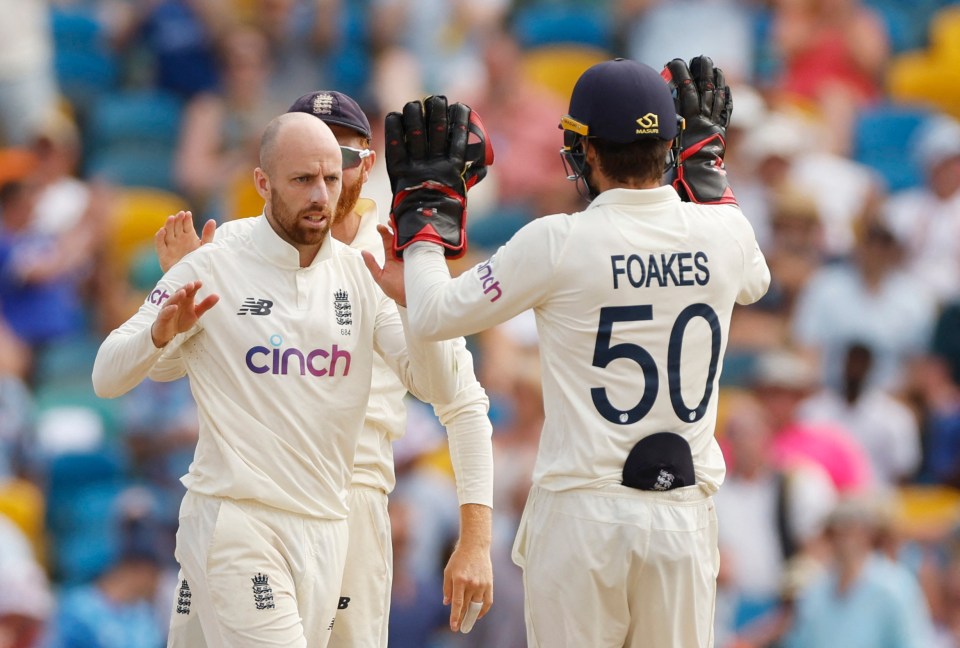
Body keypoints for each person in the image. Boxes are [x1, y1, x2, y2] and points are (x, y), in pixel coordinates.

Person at [366, 57, 771, 646]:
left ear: (587, 152)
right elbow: (755, 280)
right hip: (682, 517)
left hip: (584, 517)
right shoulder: (724, 234)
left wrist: (427, 216)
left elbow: (432, 315)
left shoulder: (558, 240)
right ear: (670, 145)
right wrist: (707, 168)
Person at [92, 111, 463, 648]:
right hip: (239, 522)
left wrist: (415, 302)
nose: (320, 195)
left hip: (326, 529)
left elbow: (436, 385)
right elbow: (106, 374)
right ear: (262, 183)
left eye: (331, 179)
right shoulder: (214, 263)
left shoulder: (361, 274)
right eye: (302, 180)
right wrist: (158, 337)